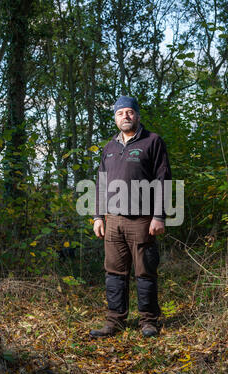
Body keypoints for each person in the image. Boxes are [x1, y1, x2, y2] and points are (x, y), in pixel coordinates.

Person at [90, 96, 172, 338]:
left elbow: (163, 180)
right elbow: (101, 184)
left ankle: (149, 321)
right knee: (114, 272)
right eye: (120, 113)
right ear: (115, 118)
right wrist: (98, 216)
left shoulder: (152, 141)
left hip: (143, 220)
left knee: (145, 271)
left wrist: (159, 215)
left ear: (137, 115)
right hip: (113, 220)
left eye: (129, 112)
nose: (125, 116)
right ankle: (114, 320)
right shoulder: (109, 148)